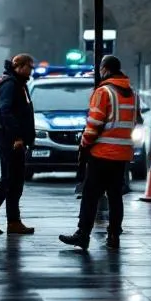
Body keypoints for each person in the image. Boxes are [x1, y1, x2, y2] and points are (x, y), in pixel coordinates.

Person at [60, 55, 137, 251]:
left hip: (102, 153)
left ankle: (82, 234)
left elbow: (94, 124)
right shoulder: (131, 93)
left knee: (90, 195)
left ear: (105, 69)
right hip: (122, 154)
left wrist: (84, 144)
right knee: (115, 196)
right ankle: (114, 235)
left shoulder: (104, 92)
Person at [0, 54, 36, 234]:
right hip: (10, 141)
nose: (31, 70)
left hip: (10, 140)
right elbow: (5, 111)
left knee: (14, 181)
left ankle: (13, 221)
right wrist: (17, 136)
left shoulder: (16, 82)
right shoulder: (11, 84)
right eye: (29, 66)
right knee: (9, 179)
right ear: (19, 66)